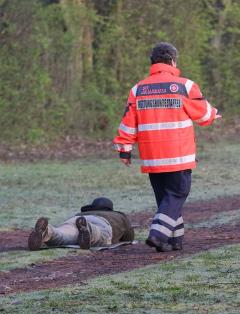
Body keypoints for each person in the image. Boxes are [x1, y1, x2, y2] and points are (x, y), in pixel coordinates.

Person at [113, 42, 220, 252]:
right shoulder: (185, 86)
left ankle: (173, 241)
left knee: (167, 201)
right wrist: (214, 113)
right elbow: (204, 115)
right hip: (178, 156)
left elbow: (128, 121)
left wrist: (124, 149)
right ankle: (158, 234)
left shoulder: (138, 90)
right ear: (173, 61)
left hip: (152, 158)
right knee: (177, 195)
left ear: (152, 63)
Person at [28, 197, 135, 251]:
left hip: (77, 218)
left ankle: (47, 231)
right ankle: (88, 229)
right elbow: (129, 236)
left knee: (63, 234)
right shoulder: (117, 215)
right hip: (102, 222)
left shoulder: (82, 212)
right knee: (98, 233)